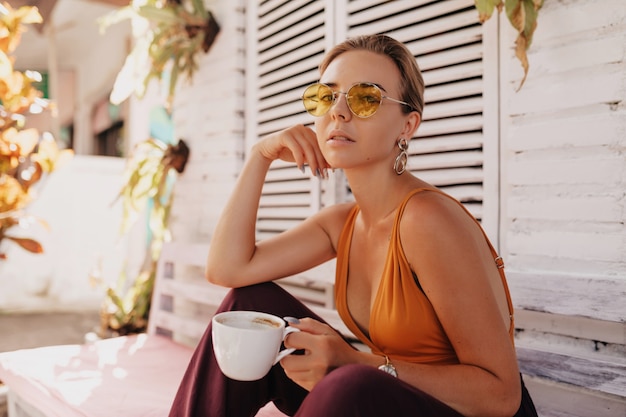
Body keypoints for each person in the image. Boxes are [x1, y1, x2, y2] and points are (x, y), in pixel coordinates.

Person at [168, 34, 538, 417]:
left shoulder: (428, 220)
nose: (338, 112)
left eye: (365, 98)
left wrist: (356, 363)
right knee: (250, 306)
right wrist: (258, 157)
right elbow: (228, 269)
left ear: (407, 126)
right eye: (325, 96)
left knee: (350, 383)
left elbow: (501, 395)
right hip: (390, 399)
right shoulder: (343, 223)